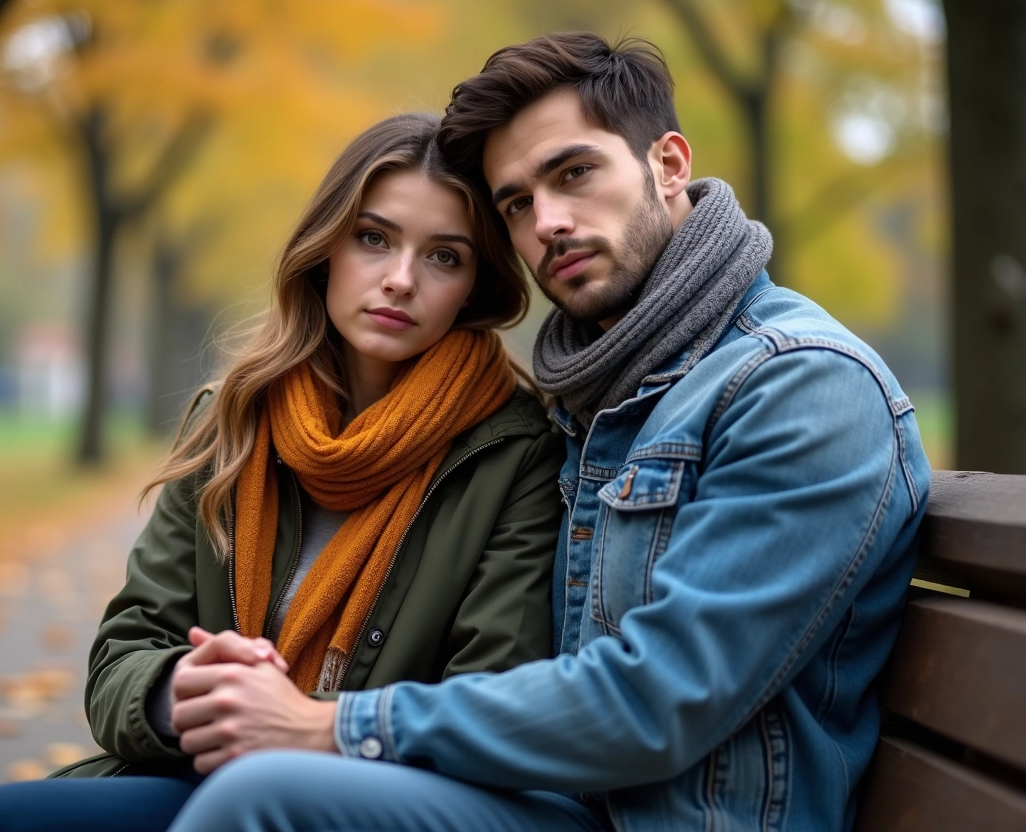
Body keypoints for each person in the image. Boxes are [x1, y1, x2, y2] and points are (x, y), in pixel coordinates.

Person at [120, 33, 932, 832]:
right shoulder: (603, 391)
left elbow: (662, 701)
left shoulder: (802, 385)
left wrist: (324, 725)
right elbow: (133, 637)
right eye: (517, 203)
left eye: (574, 173)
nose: (548, 221)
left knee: (258, 798)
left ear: (669, 164)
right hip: (553, 804)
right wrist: (192, 692)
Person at [0, 113, 564, 832]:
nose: (399, 279)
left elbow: (492, 698)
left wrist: (295, 720)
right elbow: (123, 654)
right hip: (195, 773)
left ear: (475, 285)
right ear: (325, 250)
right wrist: (182, 690)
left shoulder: (513, 451)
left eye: (444, 257)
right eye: (373, 238)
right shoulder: (234, 419)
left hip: (367, 799)